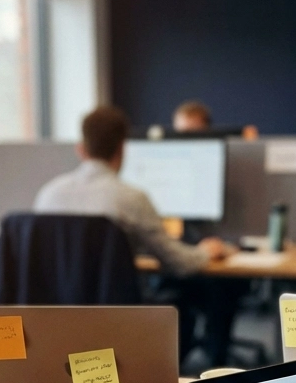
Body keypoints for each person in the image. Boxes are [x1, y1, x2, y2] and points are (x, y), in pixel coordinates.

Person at [33, 105, 232, 276]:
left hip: (56, 308)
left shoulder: (48, 195)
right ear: (122, 148)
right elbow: (178, 262)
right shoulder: (131, 199)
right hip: (115, 308)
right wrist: (205, 251)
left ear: (81, 149)